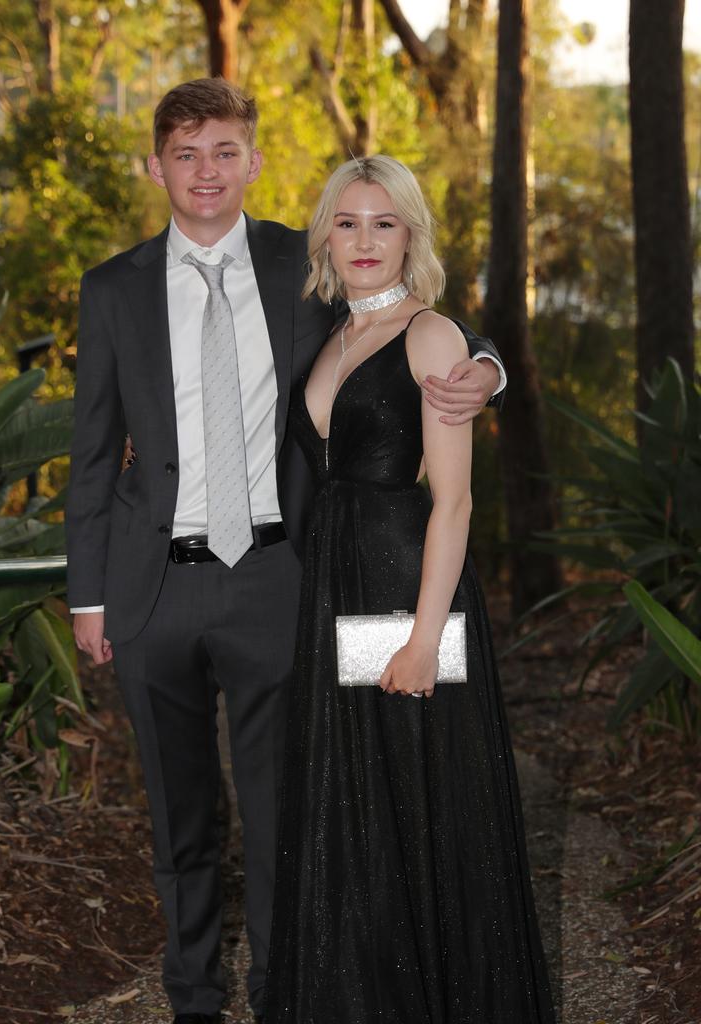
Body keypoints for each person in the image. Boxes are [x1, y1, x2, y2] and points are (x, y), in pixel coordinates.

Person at [65, 80, 506, 1024]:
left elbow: (412, 328)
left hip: (283, 583)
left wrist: (487, 365)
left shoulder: (294, 267)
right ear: (157, 168)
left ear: (254, 162)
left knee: (287, 813)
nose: (207, 172)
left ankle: (283, 996)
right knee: (180, 820)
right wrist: (86, 596)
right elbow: (94, 454)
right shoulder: (111, 290)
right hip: (153, 592)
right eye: (186, 154)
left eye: (225, 151)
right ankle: (192, 998)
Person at [263, 156, 555, 1024]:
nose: (363, 239)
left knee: (420, 811)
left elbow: (455, 501)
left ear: (411, 236)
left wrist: (425, 639)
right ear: (325, 234)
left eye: (383, 222)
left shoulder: (431, 336)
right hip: (332, 591)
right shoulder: (324, 332)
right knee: (351, 817)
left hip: (406, 592)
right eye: (347, 221)